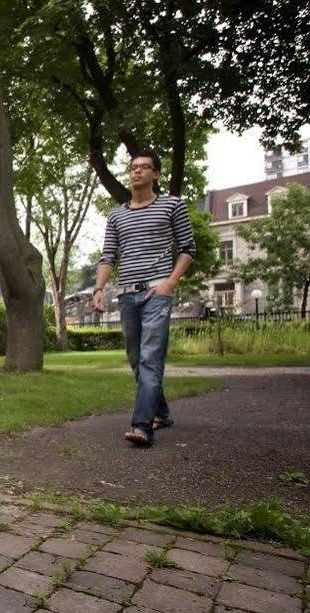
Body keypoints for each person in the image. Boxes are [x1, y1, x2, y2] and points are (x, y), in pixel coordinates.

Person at [93, 150, 195, 447]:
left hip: (157, 292)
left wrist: (171, 282)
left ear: (156, 174)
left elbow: (188, 248)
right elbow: (108, 256)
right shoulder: (116, 216)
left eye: (144, 167)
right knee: (138, 362)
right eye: (133, 167)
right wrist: (99, 289)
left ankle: (142, 426)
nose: (137, 171)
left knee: (151, 358)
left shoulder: (172, 205)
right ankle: (161, 413)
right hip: (127, 294)